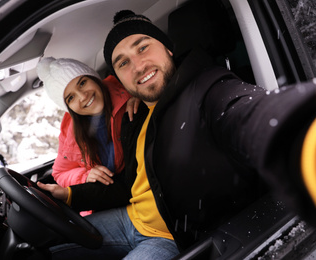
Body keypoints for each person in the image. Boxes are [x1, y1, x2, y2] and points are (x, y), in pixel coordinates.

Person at [38, 10, 316, 259]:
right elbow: (126, 187)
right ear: (118, 79)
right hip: (130, 218)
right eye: (123, 63)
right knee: (43, 245)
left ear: (168, 49)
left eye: (143, 47)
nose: (138, 66)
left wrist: (304, 136)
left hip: (169, 237)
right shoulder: (134, 118)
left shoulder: (208, 90)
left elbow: (254, 115)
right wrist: (68, 195)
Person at [36, 57, 137, 215]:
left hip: (134, 193)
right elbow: (59, 173)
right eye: (71, 98)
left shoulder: (127, 91)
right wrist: (85, 175)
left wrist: (139, 98)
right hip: (99, 201)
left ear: (93, 78)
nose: (83, 96)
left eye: (82, 83)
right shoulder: (71, 132)